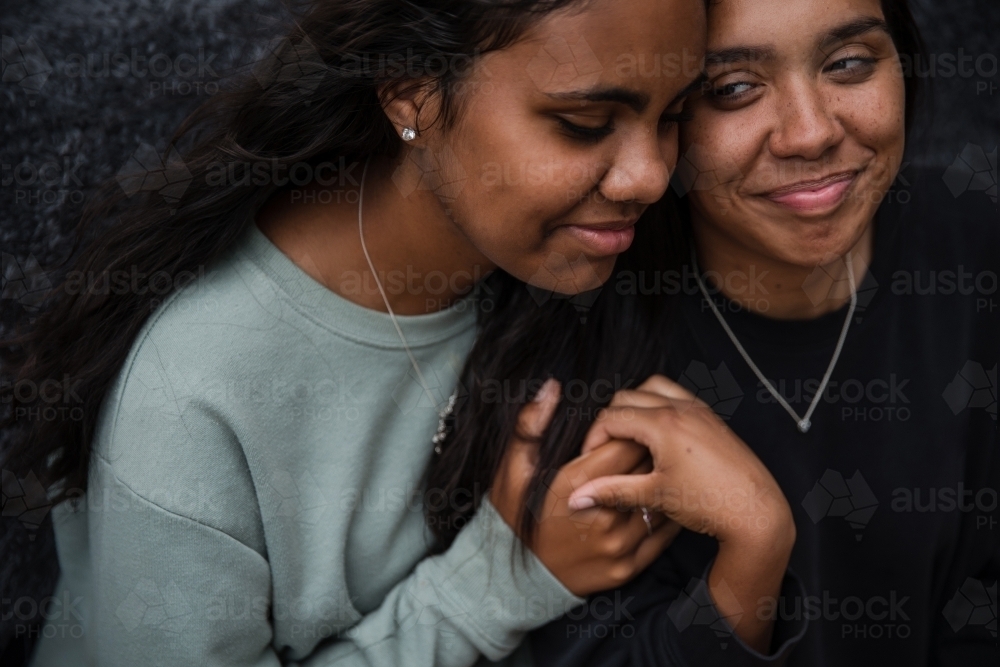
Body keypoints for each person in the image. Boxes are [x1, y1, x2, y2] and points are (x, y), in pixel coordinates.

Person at [1, 1, 711, 665]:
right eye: (585, 122)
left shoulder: (579, 265)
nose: (650, 176)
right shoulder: (188, 397)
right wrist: (498, 583)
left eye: (676, 115)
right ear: (410, 91)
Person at [426, 0, 999, 664]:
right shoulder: (582, 350)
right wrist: (752, 553)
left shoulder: (974, 246)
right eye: (733, 89)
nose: (810, 133)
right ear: (660, 117)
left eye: (848, 64)